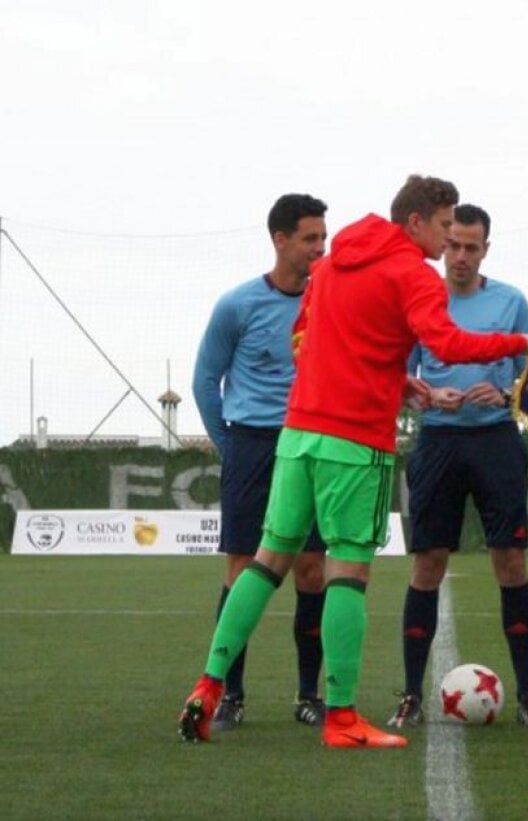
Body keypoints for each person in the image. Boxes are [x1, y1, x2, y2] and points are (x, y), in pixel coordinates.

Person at [178, 175, 528, 748]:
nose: (450, 240)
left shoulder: (335, 261)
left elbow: (307, 338)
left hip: (297, 433)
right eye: (446, 226)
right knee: (347, 571)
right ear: (417, 223)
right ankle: (343, 718)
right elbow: (447, 343)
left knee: (265, 560)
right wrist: (521, 342)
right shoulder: (409, 272)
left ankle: (208, 685)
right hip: (354, 441)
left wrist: (394, 378)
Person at [388, 203, 528, 730]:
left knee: (511, 562)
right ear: (443, 243)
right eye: (452, 244)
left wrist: (504, 390)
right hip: (437, 442)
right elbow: (397, 377)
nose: (459, 256)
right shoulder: (418, 298)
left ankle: (527, 694)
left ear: (486, 249)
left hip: (496, 441)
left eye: (471, 247)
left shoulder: (511, 301)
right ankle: (411, 694)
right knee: (427, 563)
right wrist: (428, 395)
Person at [192, 193, 330, 731]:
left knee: (313, 571)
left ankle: (308, 695)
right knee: (242, 567)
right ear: (280, 240)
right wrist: (229, 448)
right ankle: (230, 696)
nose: (320, 247)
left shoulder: (328, 300)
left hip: (311, 442)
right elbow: (206, 379)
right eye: (310, 238)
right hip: (251, 444)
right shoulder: (238, 304)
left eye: (324, 236)